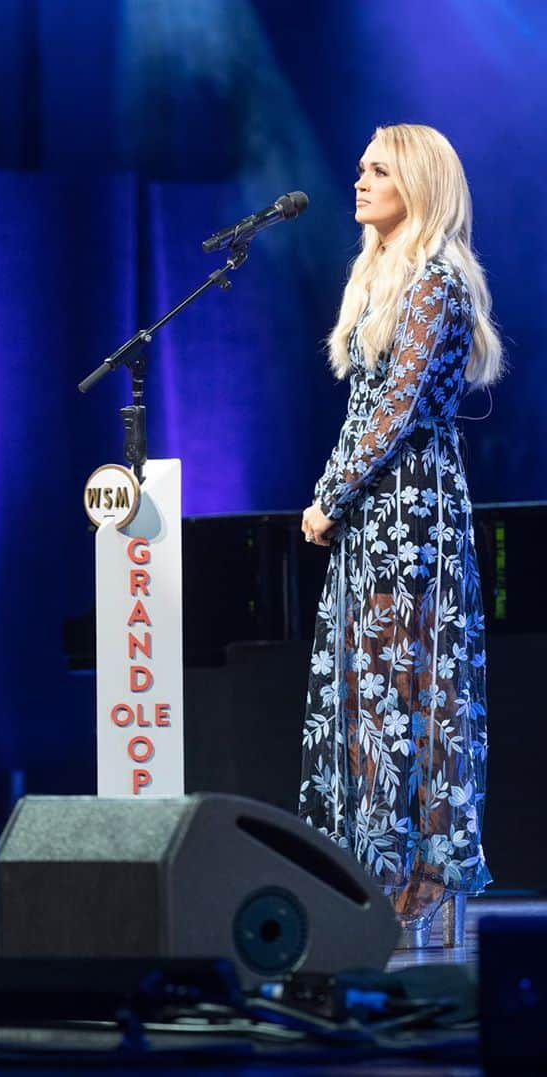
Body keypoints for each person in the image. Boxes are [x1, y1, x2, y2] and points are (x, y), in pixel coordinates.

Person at [298, 125, 503, 946]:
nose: (359, 182)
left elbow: (394, 411)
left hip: (410, 508)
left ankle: (411, 873)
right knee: (370, 691)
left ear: (415, 184)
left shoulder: (437, 282)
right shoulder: (383, 278)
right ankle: (370, 867)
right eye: (359, 169)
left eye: (376, 170)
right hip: (372, 507)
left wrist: (330, 496)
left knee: (406, 692)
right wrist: (334, 493)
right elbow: (361, 410)